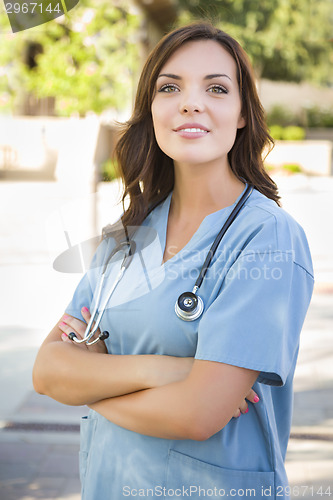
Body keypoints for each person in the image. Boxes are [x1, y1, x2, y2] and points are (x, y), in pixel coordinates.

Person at [33, 22, 314, 499]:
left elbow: (196, 414)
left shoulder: (268, 239)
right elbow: (48, 370)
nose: (191, 102)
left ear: (243, 113)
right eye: (170, 87)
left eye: (217, 88)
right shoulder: (128, 236)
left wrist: (89, 386)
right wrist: (166, 371)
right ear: (152, 109)